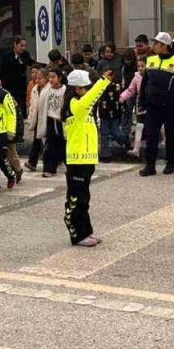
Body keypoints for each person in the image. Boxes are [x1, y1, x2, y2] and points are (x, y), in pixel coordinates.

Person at [62, 68, 112, 247]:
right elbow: (89, 99)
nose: (87, 91)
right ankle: (76, 234)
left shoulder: (83, 107)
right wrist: (103, 82)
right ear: (76, 89)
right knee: (76, 198)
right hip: (77, 159)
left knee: (84, 198)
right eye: (85, 88)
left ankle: (86, 230)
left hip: (87, 158)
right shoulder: (75, 105)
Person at [139, 32, 174, 176]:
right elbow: (145, 82)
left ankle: (170, 163)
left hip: (170, 107)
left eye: (156, 43)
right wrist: (142, 100)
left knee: (170, 136)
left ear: (164, 46)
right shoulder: (150, 60)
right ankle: (150, 166)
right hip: (152, 105)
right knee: (151, 136)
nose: (153, 46)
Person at [0, 36, 34, 142]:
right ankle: (11, 133)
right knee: (11, 110)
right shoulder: (6, 56)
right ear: (15, 44)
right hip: (9, 87)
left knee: (20, 112)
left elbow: (32, 63)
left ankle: (19, 135)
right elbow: (2, 71)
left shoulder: (25, 55)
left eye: (24, 46)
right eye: (21, 45)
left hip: (21, 87)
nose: (23, 48)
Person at [34, 68, 68, 176]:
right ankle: (49, 169)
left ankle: (71, 168)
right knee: (49, 146)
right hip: (50, 120)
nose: (51, 79)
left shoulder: (65, 90)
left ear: (60, 78)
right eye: (49, 77)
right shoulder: (47, 90)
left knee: (64, 145)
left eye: (53, 77)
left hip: (61, 121)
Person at [118, 60, 146, 157]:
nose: (140, 68)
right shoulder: (136, 76)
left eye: (142, 66)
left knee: (157, 125)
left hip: (152, 103)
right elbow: (131, 90)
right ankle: (136, 149)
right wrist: (122, 97)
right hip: (141, 103)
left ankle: (164, 141)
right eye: (138, 66)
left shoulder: (152, 75)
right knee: (139, 125)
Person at [24, 67, 47, 171]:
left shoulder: (49, 89)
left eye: (40, 78)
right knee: (36, 141)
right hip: (38, 118)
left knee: (50, 142)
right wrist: (30, 116)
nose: (37, 80)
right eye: (36, 78)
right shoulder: (34, 88)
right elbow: (32, 104)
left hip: (47, 119)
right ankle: (32, 162)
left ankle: (52, 162)